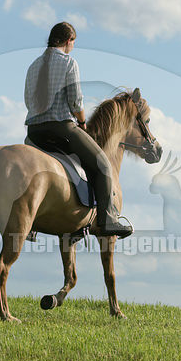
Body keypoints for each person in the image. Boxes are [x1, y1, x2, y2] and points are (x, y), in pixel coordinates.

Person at [24, 21, 133, 238]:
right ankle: (108, 220)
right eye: (73, 43)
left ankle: (31, 226)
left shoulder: (34, 65)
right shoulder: (69, 63)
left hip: (34, 131)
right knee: (102, 163)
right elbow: (75, 101)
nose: (72, 47)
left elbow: (28, 100)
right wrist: (82, 123)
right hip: (60, 128)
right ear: (68, 41)